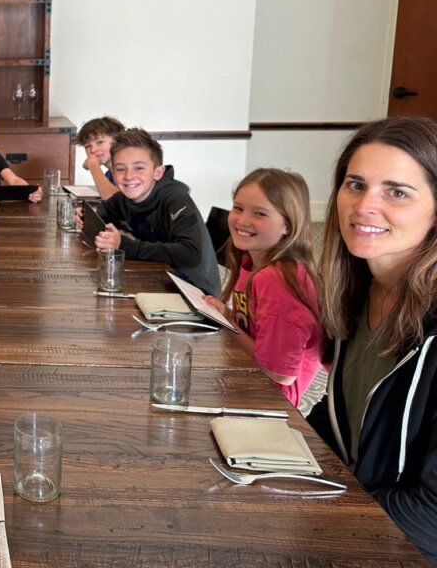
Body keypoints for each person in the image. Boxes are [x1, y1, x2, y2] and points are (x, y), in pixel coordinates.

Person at [308, 116, 437, 562]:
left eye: (396, 192)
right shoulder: (358, 292)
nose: (364, 206)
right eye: (355, 184)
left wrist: (318, 515)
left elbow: (433, 515)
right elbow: (342, 419)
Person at [202, 168, 322, 407]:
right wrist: (229, 317)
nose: (243, 220)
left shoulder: (277, 280)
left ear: (287, 225)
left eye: (260, 213)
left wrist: (231, 328)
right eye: (238, 208)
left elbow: (280, 373)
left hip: (267, 401)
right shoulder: (251, 262)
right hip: (248, 379)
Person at [94, 128, 220, 295]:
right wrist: (87, 217)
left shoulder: (175, 198)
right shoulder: (126, 197)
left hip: (196, 291)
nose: (129, 176)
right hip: (162, 277)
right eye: (120, 169)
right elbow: (105, 211)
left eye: (139, 168)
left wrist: (123, 245)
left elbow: (190, 253)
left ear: (158, 172)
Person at [76, 116, 124, 200]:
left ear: (117, 141)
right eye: (87, 146)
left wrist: (93, 166)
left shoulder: (128, 171)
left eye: (100, 142)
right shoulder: (109, 175)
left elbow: (114, 200)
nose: (93, 150)